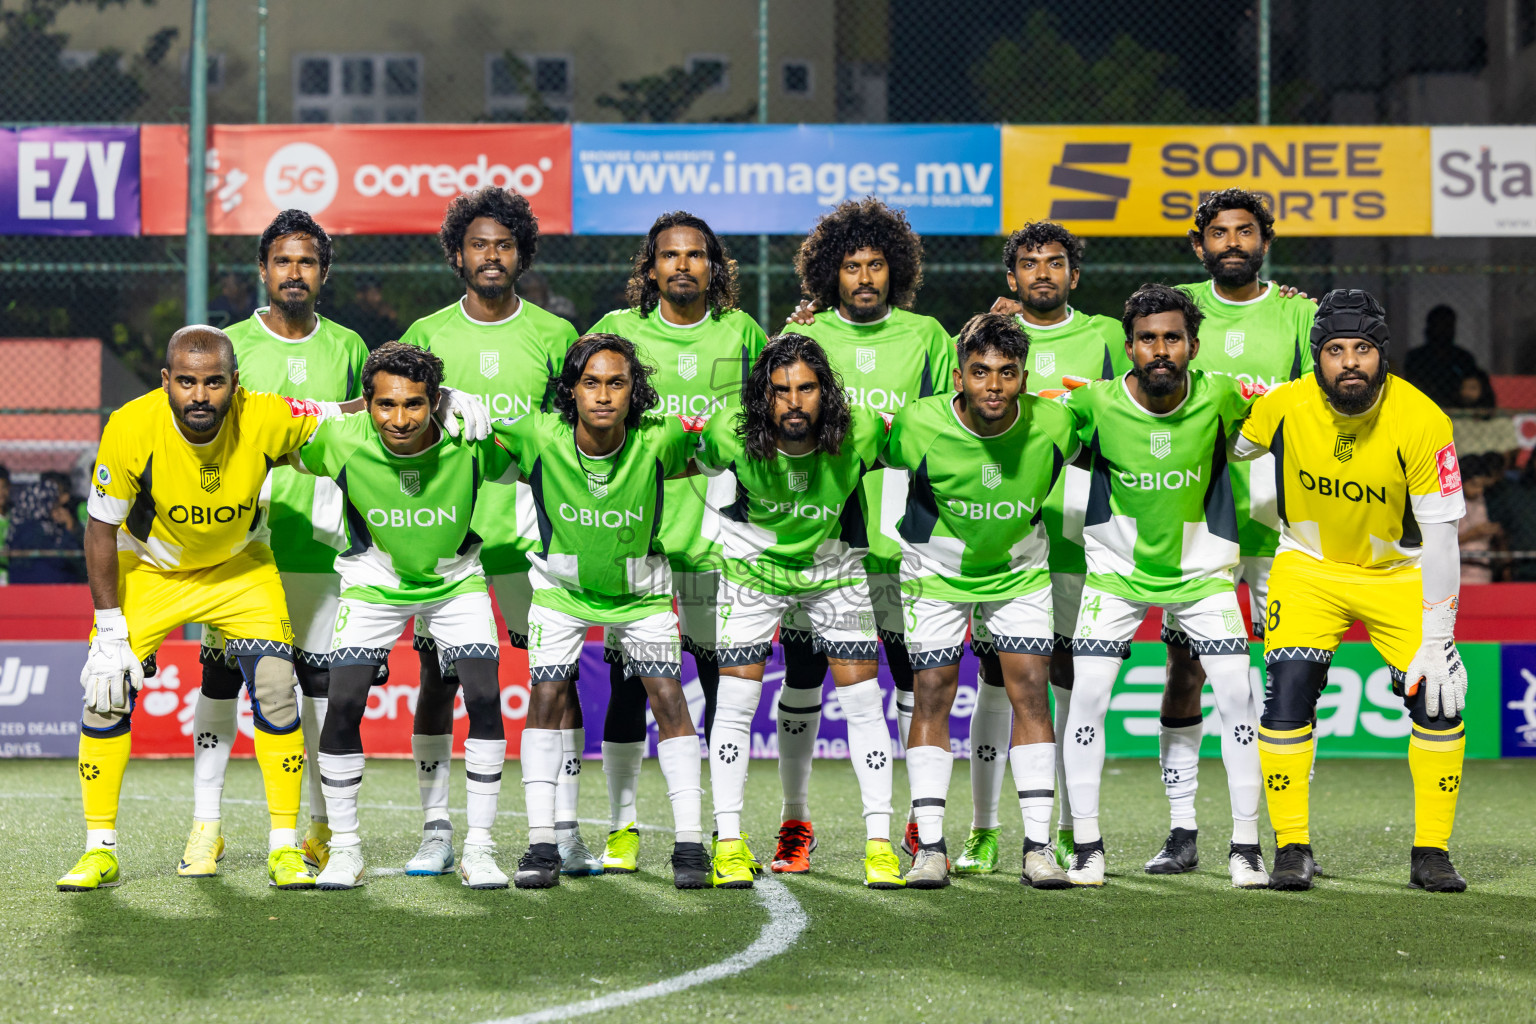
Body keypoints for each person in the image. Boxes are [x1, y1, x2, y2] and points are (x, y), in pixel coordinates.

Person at [55, 326, 487, 894]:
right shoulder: (131, 425)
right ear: (167, 383)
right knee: (104, 690)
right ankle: (100, 849)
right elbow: (100, 528)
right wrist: (109, 629)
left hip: (239, 567)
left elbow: (346, 410)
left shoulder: (263, 414)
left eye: (214, 382)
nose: (200, 395)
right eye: (186, 382)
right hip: (153, 570)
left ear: (235, 385)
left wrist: (444, 396)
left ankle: (284, 847)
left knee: (279, 689)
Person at [1234, 289, 1470, 892]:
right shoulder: (1281, 405)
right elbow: (1225, 445)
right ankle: (1292, 848)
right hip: (1309, 568)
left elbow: (1443, 538)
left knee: (1438, 699)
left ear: (1382, 353)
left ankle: (1431, 853)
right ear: (1317, 357)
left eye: (1362, 349)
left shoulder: (1423, 419)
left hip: (1400, 574)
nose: (1349, 363)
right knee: (1286, 696)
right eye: (1334, 350)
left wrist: (1439, 639)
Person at [399, 186, 585, 877]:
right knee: (438, 679)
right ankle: (436, 829)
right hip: (447, 542)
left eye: (504, 245)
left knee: (555, 680)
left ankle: (564, 830)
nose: (491, 256)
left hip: (531, 540)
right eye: (478, 244)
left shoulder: (555, 336)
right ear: (457, 254)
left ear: (521, 254)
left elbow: (571, 439)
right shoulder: (425, 335)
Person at [1059, 284, 1268, 889]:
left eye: (1171, 338)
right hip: (1115, 575)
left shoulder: (1223, 396)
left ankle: (1245, 846)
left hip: (1202, 575)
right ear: (1128, 347)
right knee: (1087, 697)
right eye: (1147, 339)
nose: (1159, 350)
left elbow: (1281, 420)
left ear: (1192, 345)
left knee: (1237, 695)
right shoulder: (1094, 404)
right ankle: (1088, 847)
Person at [290, 343, 516, 890]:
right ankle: (345, 850)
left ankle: (480, 849)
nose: (399, 418)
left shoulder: (469, 440)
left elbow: (539, 446)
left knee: (484, 697)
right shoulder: (342, 440)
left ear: (435, 402)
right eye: (385, 404)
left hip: (456, 582)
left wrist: (485, 411)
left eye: (415, 404)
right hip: (373, 582)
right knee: (342, 705)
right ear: (366, 403)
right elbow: (271, 439)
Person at [773, 197, 955, 872]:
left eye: (877, 263)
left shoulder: (928, 337)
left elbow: (947, 434)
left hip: (906, 546)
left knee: (914, 683)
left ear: (896, 268)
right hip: (824, 545)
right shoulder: (807, 338)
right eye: (851, 265)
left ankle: (917, 822)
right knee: (803, 677)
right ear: (831, 273)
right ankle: (795, 823)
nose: (865, 276)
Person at [188, 209, 369, 880]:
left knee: (318, 689)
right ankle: (206, 826)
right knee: (220, 682)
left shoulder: (350, 348)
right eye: (283, 261)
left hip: (322, 548)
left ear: (323, 272)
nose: (295, 273)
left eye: (308, 261)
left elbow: (364, 439)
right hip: (239, 551)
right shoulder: (228, 346)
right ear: (262, 270)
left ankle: (318, 824)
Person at [1141, 188, 1316, 876]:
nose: (1233, 242)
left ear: (1264, 241)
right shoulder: (1174, 310)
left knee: (1289, 679)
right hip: (1199, 523)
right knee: (1184, 670)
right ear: (1199, 244)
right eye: (1219, 232)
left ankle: (1289, 834)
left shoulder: (1298, 313)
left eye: (1245, 231)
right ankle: (1182, 830)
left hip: (1281, 526)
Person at [587, 211, 767, 873]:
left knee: (724, 688)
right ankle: (623, 828)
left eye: (696, 256)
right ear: (651, 267)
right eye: (670, 255)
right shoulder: (618, 334)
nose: (683, 266)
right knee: (630, 687)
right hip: (637, 540)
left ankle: (726, 834)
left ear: (714, 267)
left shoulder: (743, 332)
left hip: (722, 542)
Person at [493, 334, 705, 890]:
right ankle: (542, 844)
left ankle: (690, 847)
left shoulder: (662, 438)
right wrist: (445, 399)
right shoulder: (540, 434)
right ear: (572, 390)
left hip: (642, 594)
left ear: (635, 392)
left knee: (668, 698)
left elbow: (730, 433)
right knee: (546, 695)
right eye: (591, 383)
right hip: (561, 593)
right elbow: (467, 430)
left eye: (617, 383)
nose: (604, 395)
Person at [695, 333, 902, 890]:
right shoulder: (728, 432)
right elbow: (687, 456)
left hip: (833, 571)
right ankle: (730, 843)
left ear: (825, 393)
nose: (793, 401)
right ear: (762, 396)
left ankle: (879, 845)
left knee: (863, 704)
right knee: (736, 704)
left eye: (806, 388)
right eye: (780, 390)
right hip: (751, 574)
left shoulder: (860, 432)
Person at [884, 312, 1077, 890]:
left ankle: (1039, 849)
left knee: (1030, 696)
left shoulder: (1057, 425)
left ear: (1024, 376)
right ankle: (931, 850)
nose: (993, 386)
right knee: (932, 696)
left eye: (1007, 373)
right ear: (960, 376)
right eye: (980, 372)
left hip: (1019, 572)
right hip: (935, 574)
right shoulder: (919, 424)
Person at [965, 221, 1130, 876]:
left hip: (1079, 537)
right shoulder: (986, 335)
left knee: (1066, 680)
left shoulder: (1106, 338)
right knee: (994, 680)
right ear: (1012, 277)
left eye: (1055, 263)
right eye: (1029, 263)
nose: (1042, 273)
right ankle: (982, 830)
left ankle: (1066, 827)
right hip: (1003, 535)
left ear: (1074, 275)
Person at [7, 472, 85, 584]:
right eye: (54, 504)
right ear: (45, 504)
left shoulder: (18, 523)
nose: (58, 509)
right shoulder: (37, 529)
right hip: (44, 588)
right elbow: (61, 560)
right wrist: (69, 528)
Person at [1403, 305, 1484, 408]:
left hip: (1458, 410)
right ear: (1429, 327)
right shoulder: (1416, 357)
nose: (1442, 330)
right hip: (1423, 407)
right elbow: (1412, 386)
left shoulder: (1463, 358)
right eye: (1438, 325)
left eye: (1447, 325)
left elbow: (1473, 387)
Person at [1457, 454, 1503, 584]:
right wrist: (1473, 534)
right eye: (1474, 484)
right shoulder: (1449, 505)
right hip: (1459, 571)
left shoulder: (1482, 501)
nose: (1479, 490)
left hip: (1482, 571)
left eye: (1482, 486)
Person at [335, 275, 400, 351]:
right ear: (360, 294)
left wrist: (391, 319)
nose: (378, 298)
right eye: (373, 293)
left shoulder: (380, 314)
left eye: (378, 292)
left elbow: (393, 340)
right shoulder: (347, 314)